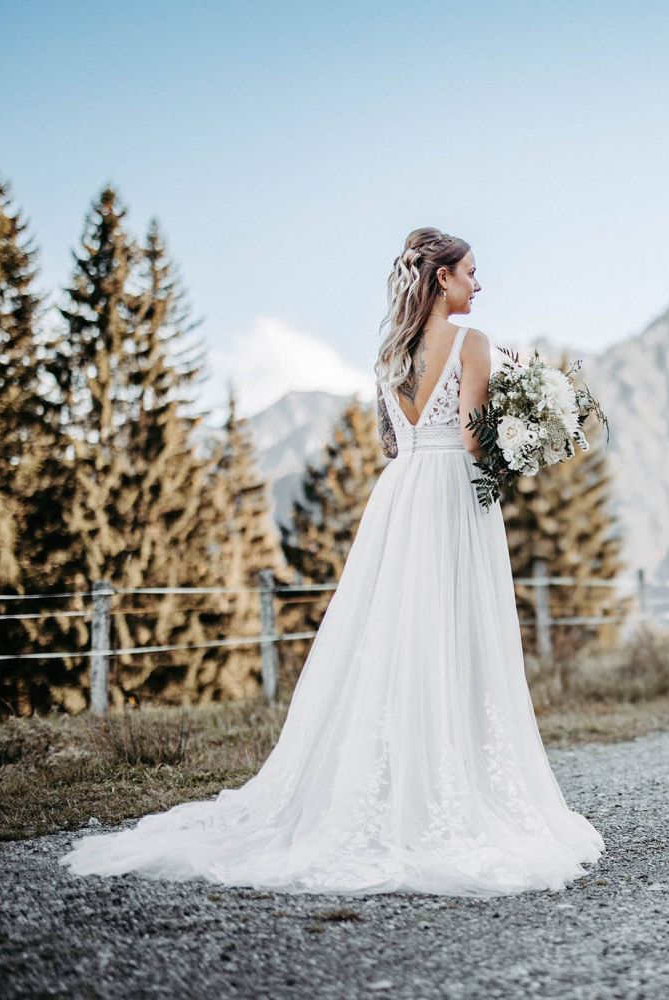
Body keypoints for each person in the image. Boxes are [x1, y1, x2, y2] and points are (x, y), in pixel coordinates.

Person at [58, 228, 606, 896]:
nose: (478, 283)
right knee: (454, 634)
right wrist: (527, 439)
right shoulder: (473, 343)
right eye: (470, 271)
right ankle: (448, 786)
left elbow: (390, 442)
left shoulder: (388, 354)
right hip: (455, 502)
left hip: (401, 500)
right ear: (441, 279)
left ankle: (396, 783)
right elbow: (472, 439)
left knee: (396, 634)